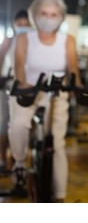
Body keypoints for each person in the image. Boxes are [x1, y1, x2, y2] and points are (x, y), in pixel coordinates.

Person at [8, 0, 82, 201]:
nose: (48, 19)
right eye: (44, 13)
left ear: (60, 17)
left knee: (56, 143)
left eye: (53, 14)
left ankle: (59, 196)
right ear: (35, 15)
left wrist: (78, 87)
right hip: (27, 91)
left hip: (55, 94)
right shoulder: (24, 38)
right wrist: (23, 84)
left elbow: (73, 68)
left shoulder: (67, 40)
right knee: (19, 125)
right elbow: (19, 66)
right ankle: (20, 164)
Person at [0, 10, 32, 176]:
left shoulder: (34, 42)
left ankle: (21, 163)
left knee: (25, 126)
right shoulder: (9, 40)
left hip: (29, 87)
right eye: (20, 25)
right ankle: (3, 160)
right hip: (9, 84)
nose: (23, 28)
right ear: (14, 24)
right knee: (6, 123)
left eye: (26, 25)